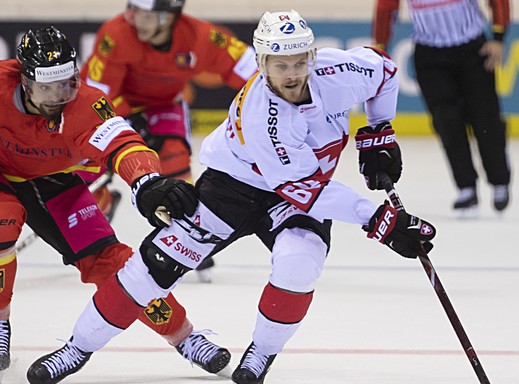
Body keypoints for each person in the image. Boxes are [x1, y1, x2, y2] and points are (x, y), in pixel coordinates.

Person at [27, 11, 437, 384]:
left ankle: (261, 352)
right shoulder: (263, 117)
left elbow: (384, 71)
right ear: (261, 64)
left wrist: (378, 134)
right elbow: (308, 190)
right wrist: (381, 221)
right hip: (233, 189)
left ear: (313, 55)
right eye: (280, 65)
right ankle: (76, 348)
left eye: (300, 61)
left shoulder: (339, 68)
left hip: (298, 192)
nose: (292, 74)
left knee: (300, 264)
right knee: (152, 268)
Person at [0, 26, 232, 378]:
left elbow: (124, 145)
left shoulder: (86, 104)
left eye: (65, 84)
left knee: (115, 265)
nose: (56, 97)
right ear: (24, 80)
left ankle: (185, 336)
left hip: (56, 184)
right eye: (45, 87)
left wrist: (148, 181)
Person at [79, 0, 259, 282]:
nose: (137, 21)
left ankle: (190, 233)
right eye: (134, 12)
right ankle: (101, 204)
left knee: (174, 158)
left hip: (164, 105)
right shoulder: (115, 34)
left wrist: (275, 101)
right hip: (114, 106)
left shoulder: (199, 36)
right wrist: (125, 124)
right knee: (86, 173)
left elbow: (249, 66)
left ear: (168, 17)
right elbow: (94, 95)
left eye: (146, 16)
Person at [373, 0, 512, 216]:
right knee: (446, 121)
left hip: (473, 49)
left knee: (485, 119)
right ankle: (466, 187)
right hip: (431, 56)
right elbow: (386, 8)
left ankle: (499, 179)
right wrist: (380, 51)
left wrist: (499, 36)